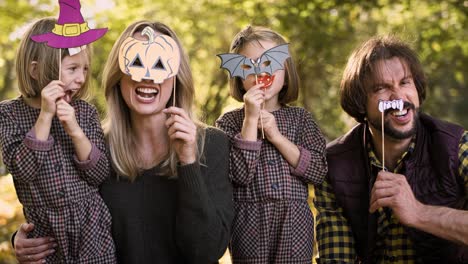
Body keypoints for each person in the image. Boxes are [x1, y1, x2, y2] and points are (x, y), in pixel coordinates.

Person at [12, 20, 234, 263]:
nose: (148, 78)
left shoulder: (212, 144)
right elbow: (58, 205)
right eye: (136, 63)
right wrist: (22, 240)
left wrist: (188, 161)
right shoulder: (92, 149)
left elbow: (206, 250)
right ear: (119, 76)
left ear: (176, 77)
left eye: (160, 65)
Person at [315, 35, 468, 263]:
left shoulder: (456, 146)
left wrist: (418, 212)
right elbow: (336, 258)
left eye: (405, 82)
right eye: (381, 88)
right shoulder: (333, 165)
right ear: (361, 103)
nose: (398, 98)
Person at [0, 16, 116, 263]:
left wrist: (74, 130)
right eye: (72, 68)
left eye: (84, 69)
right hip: (46, 236)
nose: (82, 78)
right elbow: (22, 171)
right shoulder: (8, 114)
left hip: (92, 232)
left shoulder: (85, 113)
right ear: (35, 70)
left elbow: (98, 174)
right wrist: (45, 115)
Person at [216, 25, 328, 263]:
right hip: (248, 223)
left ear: (285, 70)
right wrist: (249, 120)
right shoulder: (228, 122)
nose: (260, 72)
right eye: (249, 66)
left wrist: (276, 136)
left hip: (294, 221)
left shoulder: (301, 119)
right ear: (238, 76)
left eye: (268, 63)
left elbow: (318, 171)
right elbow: (239, 174)